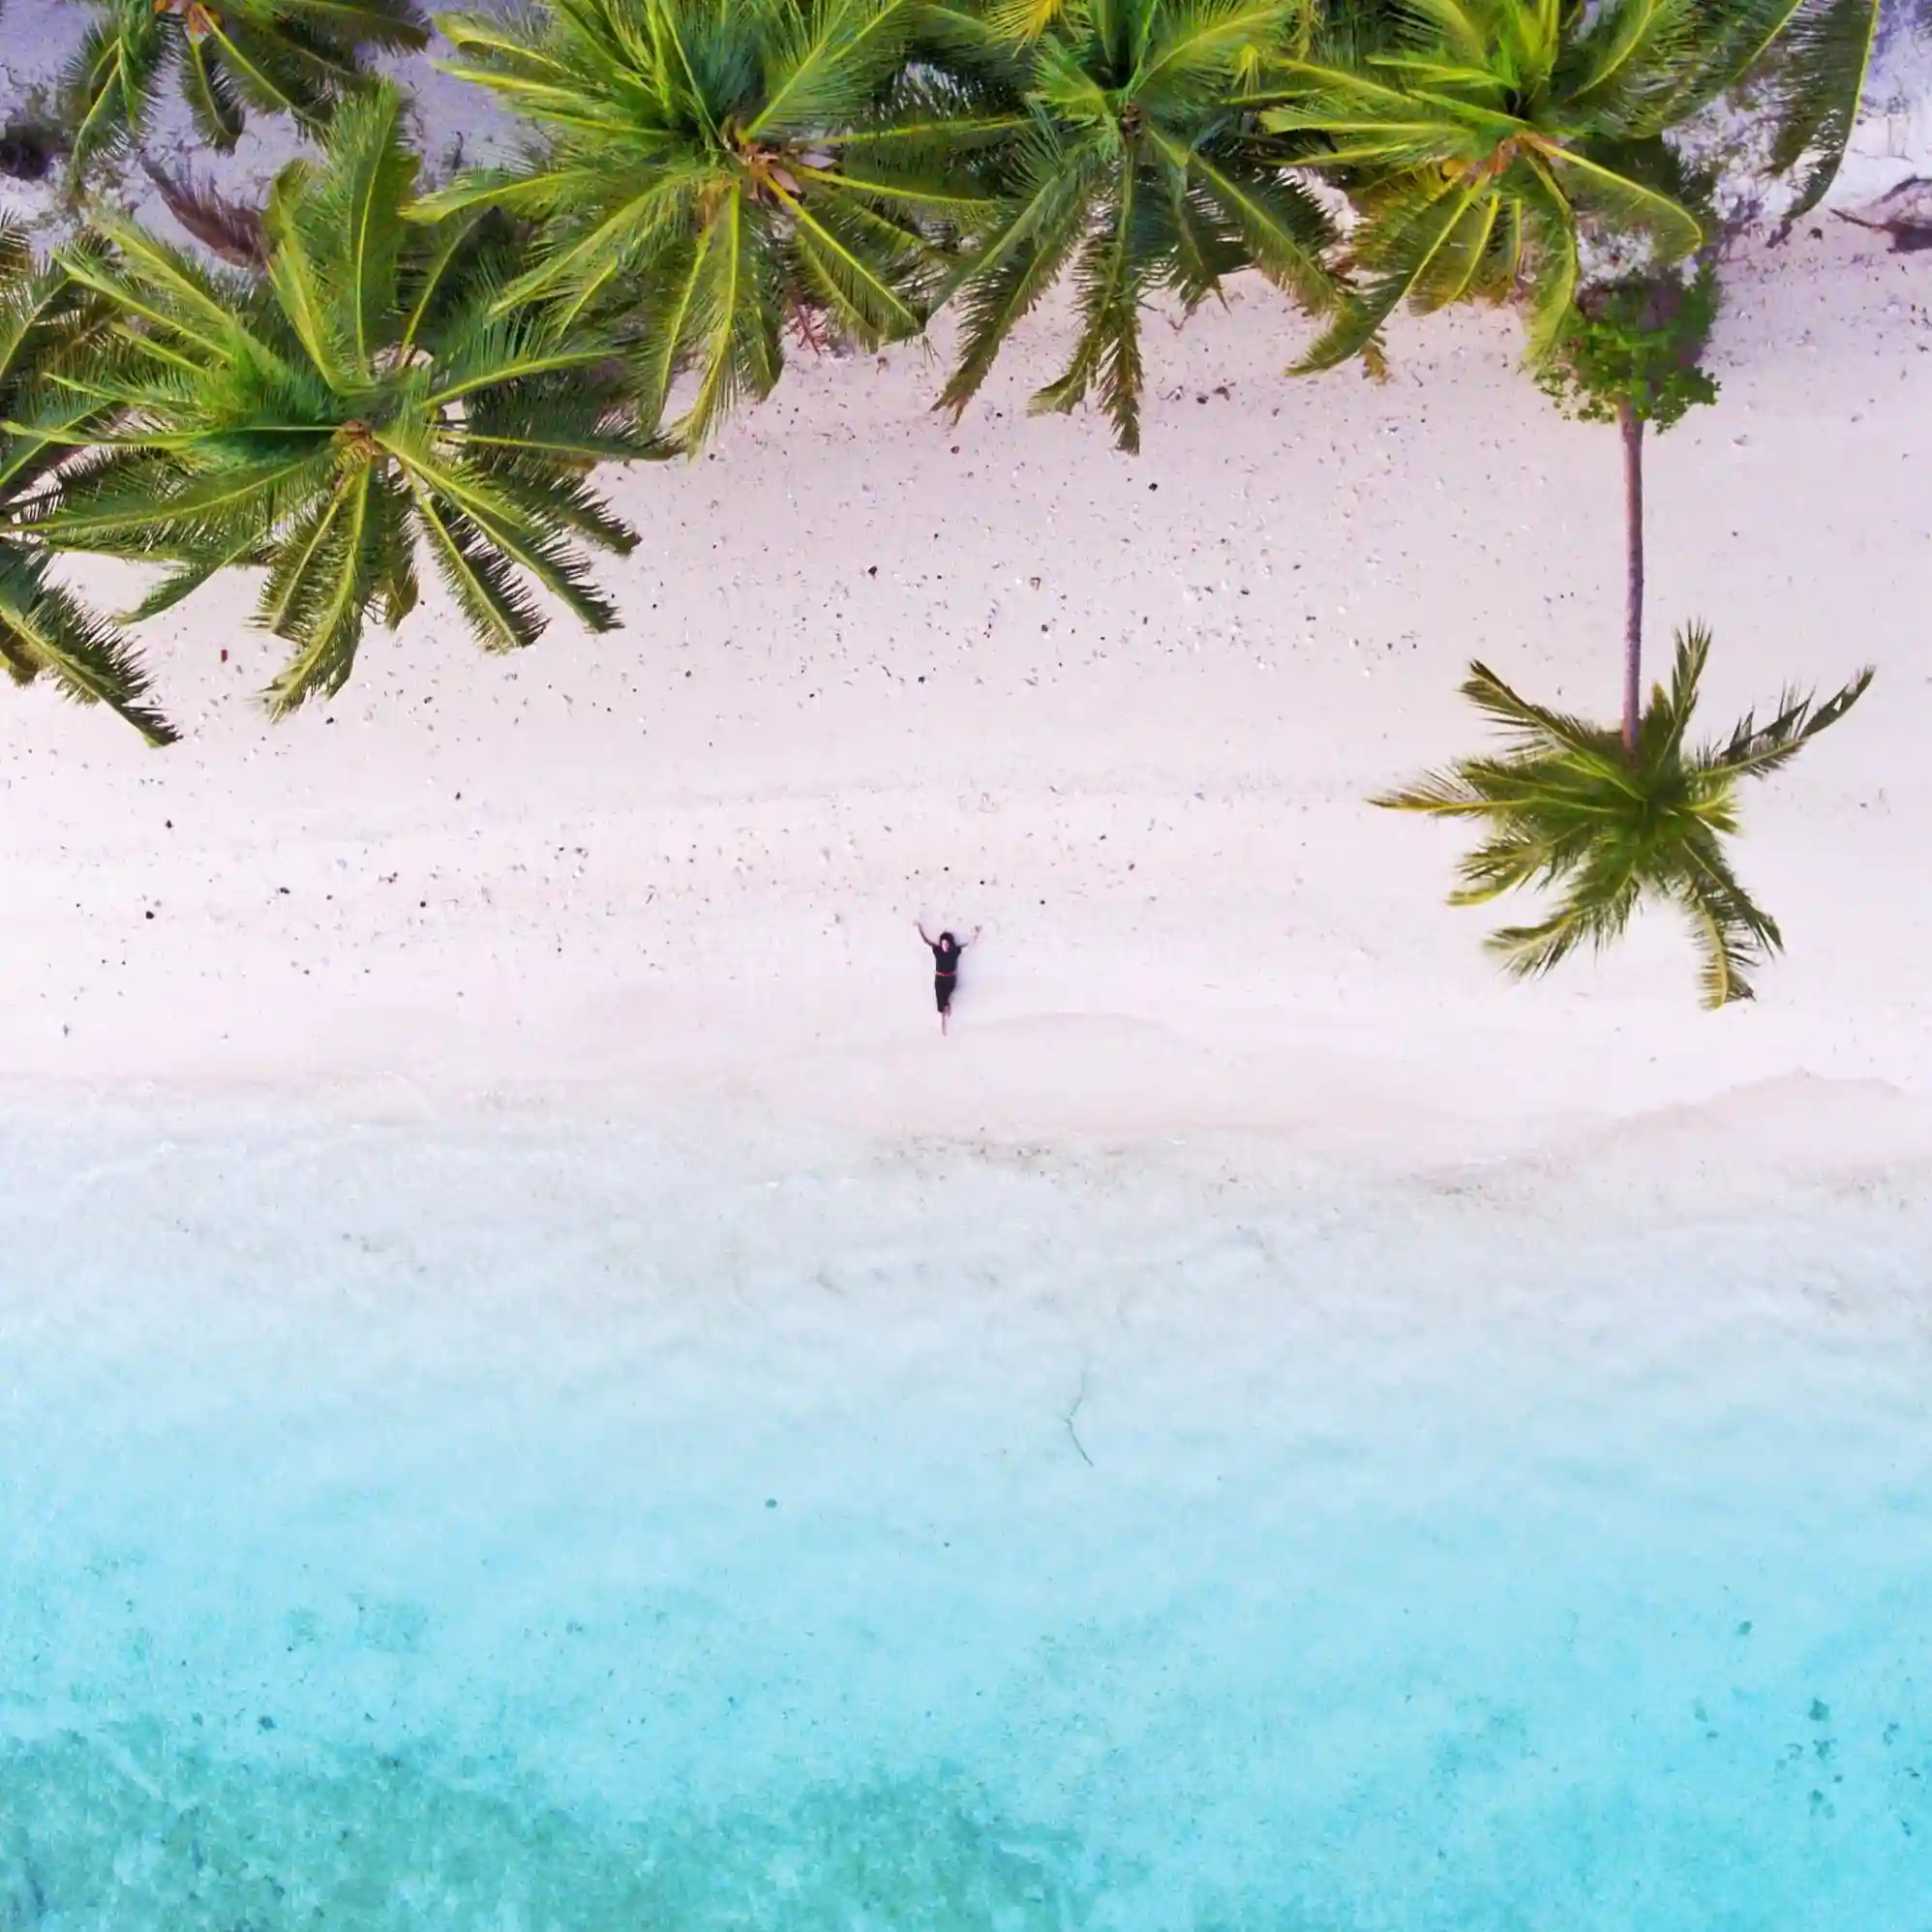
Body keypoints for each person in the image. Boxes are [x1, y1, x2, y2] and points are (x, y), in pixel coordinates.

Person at [916, 921, 979, 1035]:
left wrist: (975, 934)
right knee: (940, 1001)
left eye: (946, 943)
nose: (944, 945)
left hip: (951, 980)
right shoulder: (937, 950)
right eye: (943, 943)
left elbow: (968, 946)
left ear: (950, 943)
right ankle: (942, 1027)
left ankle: (946, 1004)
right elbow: (925, 942)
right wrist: (918, 929)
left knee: (946, 997)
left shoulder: (955, 952)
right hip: (939, 979)